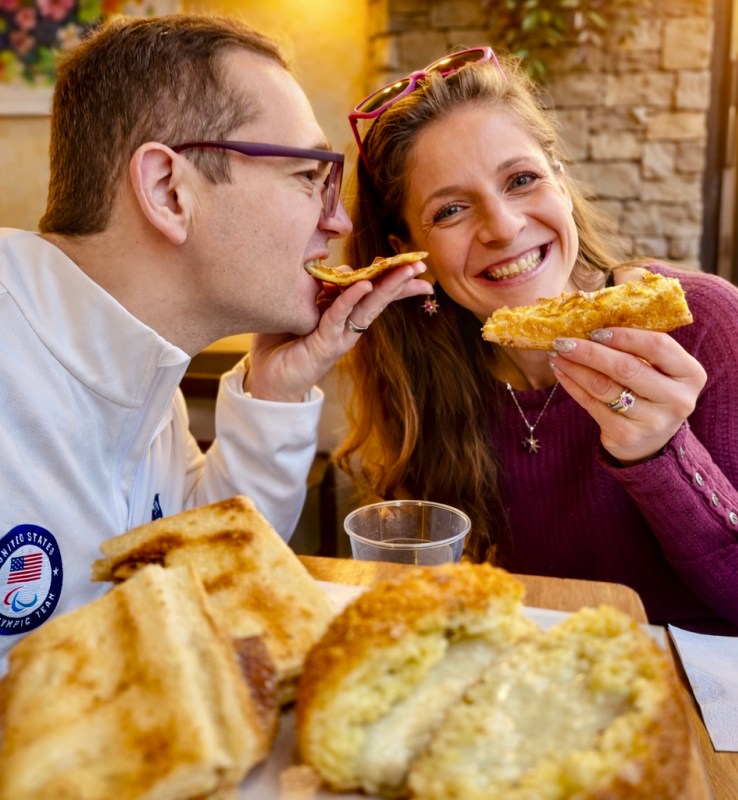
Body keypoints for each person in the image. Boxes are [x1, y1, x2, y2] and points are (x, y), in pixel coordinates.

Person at [0, 14, 432, 664]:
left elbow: (197, 574)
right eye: (307, 175)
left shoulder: (143, 368)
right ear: (169, 191)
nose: (338, 221)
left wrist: (277, 392)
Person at [336, 47, 738, 638]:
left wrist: (660, 454)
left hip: (714, 705)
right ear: (410, 250)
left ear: (559, 177)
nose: (503, 227)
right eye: (451, 209)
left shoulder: (703, 322)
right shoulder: (424, 369)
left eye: (521, 180)